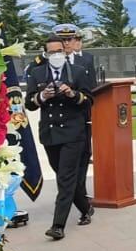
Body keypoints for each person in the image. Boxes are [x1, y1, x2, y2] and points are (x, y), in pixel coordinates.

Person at [26, 34, 95, 240]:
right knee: (65, 176)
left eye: (59, 51)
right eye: (51, 52)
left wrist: (72, 94)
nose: (55, 55)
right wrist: (42, 96)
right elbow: (29, 102)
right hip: (50, 133)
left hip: (73, 132)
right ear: (45, 54)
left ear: (65, 51)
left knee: (65, 178)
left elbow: (89, 100)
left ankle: (58, 225)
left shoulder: (78, 71)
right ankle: (85, 208)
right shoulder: (37, 73)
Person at [55, 24, 96, 219]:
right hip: (58, 122)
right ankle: (81, 201)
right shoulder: (48, 64)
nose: (67, 44)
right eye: (63, 40)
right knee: (63, 168)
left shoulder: (85, 60)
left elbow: (91, 90)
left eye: (70, 39)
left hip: (81, 119)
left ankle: (80, 193)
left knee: (82, 159)